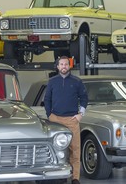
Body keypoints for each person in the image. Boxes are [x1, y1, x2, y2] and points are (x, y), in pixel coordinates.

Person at [44, 56, 88, 184]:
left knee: (75, 149)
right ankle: (57, 176)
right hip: (55, 120)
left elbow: (84, 98)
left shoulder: (77, 81)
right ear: (57, 67)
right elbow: (47, 99)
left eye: (66, 64)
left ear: (70, 66)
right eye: (61, 64)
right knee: (55, 149)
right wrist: (49, 115)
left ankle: (75, 178)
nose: (64, 66)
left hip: (72, 119)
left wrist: (81, 114)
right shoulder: (52, 81)